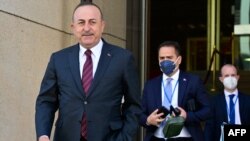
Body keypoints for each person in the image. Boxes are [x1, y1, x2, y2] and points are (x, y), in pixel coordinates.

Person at [35, 2, 142, 141]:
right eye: (81, 22)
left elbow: (133, 105)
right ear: (73, 27)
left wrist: (125, 138)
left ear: (102, 25)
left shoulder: (123, 59)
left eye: (92, 22)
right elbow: (46, 101)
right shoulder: (58, 59)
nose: (87, 28)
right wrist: (43, 135)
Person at [139, 41, 211, 141]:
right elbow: (139, 113)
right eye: (162, 58)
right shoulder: (150, 85)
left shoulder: (193, 82)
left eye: (169, 57)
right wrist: (148, 120)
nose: (165, 61)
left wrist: (187, 116)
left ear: (179, 59)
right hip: (157, 138)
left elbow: (208, 110)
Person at [204, 64, 250, 141]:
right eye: (226, 76)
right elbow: (209, 128)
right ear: (221, 79)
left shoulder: (248, 100)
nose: (230, 78)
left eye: (233, 75)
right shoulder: (214, 101)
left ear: (237, 77)